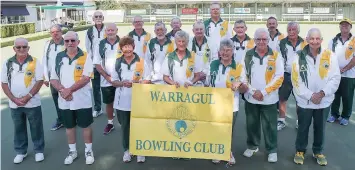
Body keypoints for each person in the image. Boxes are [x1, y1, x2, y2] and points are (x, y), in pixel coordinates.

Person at [291, 28, 341, 166]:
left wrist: (322, 93)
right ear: (307, 39)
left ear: (321, 40)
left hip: (324, 101)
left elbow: (335, 78)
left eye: (317, 39)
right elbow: (296, 80)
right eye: (312, 38)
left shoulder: (330, 55)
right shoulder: (298, 56)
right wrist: (310, 95)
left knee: (320, 127)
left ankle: (318, 151)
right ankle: (300, 151)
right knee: (303, 127)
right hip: (305, 101)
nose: (314, 41)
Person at [50, 31, 95, 165]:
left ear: (78, 42)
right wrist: (63, 91)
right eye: (67, 41)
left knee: (86, 126)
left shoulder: (86, 56)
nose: (70, 43)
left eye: (73, 41)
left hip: (82, 100)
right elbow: (53, 78)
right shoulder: (58, 57)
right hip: (65, 100)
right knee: (69, 127)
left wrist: (69, 90)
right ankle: (72, 151)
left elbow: (86, 78)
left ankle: (88, 151)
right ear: (64, 43)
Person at [242, 28, 284, 163]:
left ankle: (271, 150)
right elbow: (242, 76)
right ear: (254, 40)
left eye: (264, 39)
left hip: (269, 98)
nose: (261, 42)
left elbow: (279, 77)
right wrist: (253, 92)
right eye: (258, 39)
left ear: (268, 40)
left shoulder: (276, 55)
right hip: (251, 97)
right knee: (251, 124)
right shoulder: (247, 55)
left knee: (270, 126)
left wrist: (264, 92)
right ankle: (252, 146)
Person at [1, 37, 45, 164]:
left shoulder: (35, 62)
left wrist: (27, 97)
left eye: (24, 47)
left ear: (28, 48)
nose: (21, 49)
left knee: (36, 127)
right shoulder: (7, 63)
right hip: (14, 103)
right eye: (18, 47)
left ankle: (39, 150)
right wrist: (13, 99)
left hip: (32, 102)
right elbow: (4, 83)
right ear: (14, 48)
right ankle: (21, 151)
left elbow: (40, 80)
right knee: (18, 127)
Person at [161, 30, 203, 160]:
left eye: (183, 41)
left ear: (187, 42)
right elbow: (165, 76)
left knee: (189, 121)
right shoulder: (169, 56)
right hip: (174, 95)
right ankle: (176, 148)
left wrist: (191, 82)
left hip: (189, 95)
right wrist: (172, 82)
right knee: (175, 120)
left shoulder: (194, 56)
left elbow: (198, 75)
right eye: (179, 41)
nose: (181, 44)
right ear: (175, 42)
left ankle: (187, 148)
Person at [205, 38, 248, 165]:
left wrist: (240, 85)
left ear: (233, 51)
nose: (225, 53)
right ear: (219, 52)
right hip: (213, 104)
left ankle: (227, 152)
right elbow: (207, 83)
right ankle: (217, 151)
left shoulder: (239, 66)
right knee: (215, 128)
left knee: (228, 130)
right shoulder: (212, 64)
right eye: (223, 50)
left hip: (231, 105)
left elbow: (244, 89)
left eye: (228, 50)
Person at [111, 36, 151, 163]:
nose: (127, 49)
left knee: (139, 125)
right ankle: (127, 150)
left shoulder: (142, 62)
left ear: (133, 47)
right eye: (124, 47)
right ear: (121, 49)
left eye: (129, 46)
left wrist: (136, 83)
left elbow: (148, 79)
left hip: (139, 100)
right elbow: (114, 81)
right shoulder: (117, 62)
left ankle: (140, 150)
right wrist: (122, 83)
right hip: (122, 102)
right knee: (125, 127)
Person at [277, 21, 307, 130]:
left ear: (298, 31)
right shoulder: (281, 43)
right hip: (286, 74)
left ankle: (299, 121)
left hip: (300, 76)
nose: (291, 32)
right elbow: (277, 58)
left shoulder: (304, 43)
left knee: (300, 100)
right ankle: (281, 120)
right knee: (282, 99)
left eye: (294, 29)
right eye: (289, 30)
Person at [93, 23, 121, 135]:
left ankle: (124, 123)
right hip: (106, 80)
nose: (110, 32)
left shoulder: (123, 43)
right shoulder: (100, 44)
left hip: (121, 80)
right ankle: (110, 123)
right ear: (105, 32)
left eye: (112, 30)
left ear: (116, 30)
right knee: (109, 103)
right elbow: (97, 63)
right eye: (108, 30)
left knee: (123, 101)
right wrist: (107, 77)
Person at [327, 18, 355, 126]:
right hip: (334, 74)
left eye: (347, 25)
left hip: (350, 75)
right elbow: (328, 57)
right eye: (342, 25)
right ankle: (334, 114)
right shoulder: (333, 41)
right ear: (339, 27)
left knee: (347, 97)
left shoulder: (354, 40)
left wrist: (344, 69)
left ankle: (345, 116)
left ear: (350, 27)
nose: (344, 27)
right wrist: (334, 70)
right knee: (335, 96)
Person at [42, 24, 65, 131]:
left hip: (66, 78)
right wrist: (46, 77)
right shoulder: (48, 44)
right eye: (52, 32)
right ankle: (61, 120)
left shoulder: (67, 42)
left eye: (57, 31)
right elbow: (45, 61)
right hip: (53, 79)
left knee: (68, 98)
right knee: (57, 100)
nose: (55, 34)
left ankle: (71, 119)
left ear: (61, 32)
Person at [85, 11, 105, 117]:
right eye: (96, 17)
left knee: (109, 87)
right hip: (94, 64)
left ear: (103, 18)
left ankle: (110, 108)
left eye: (100, 16)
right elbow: (88, 48)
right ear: (93, 19)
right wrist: (92, 61)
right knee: (96, 87)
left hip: (106, 64)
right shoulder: (89, 31)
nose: (98, 18)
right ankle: (98, 108)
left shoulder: (108, 29)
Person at [188, 20, 216, 86]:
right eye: (197, 29)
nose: (199, 31)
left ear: (204, 30)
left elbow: (214, 60)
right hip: (192, 78)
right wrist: (195, 74)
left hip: (207, 79)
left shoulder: (211, 42)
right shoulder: (188, 42)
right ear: (193, 31)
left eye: (201, 29)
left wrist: (205, 73)